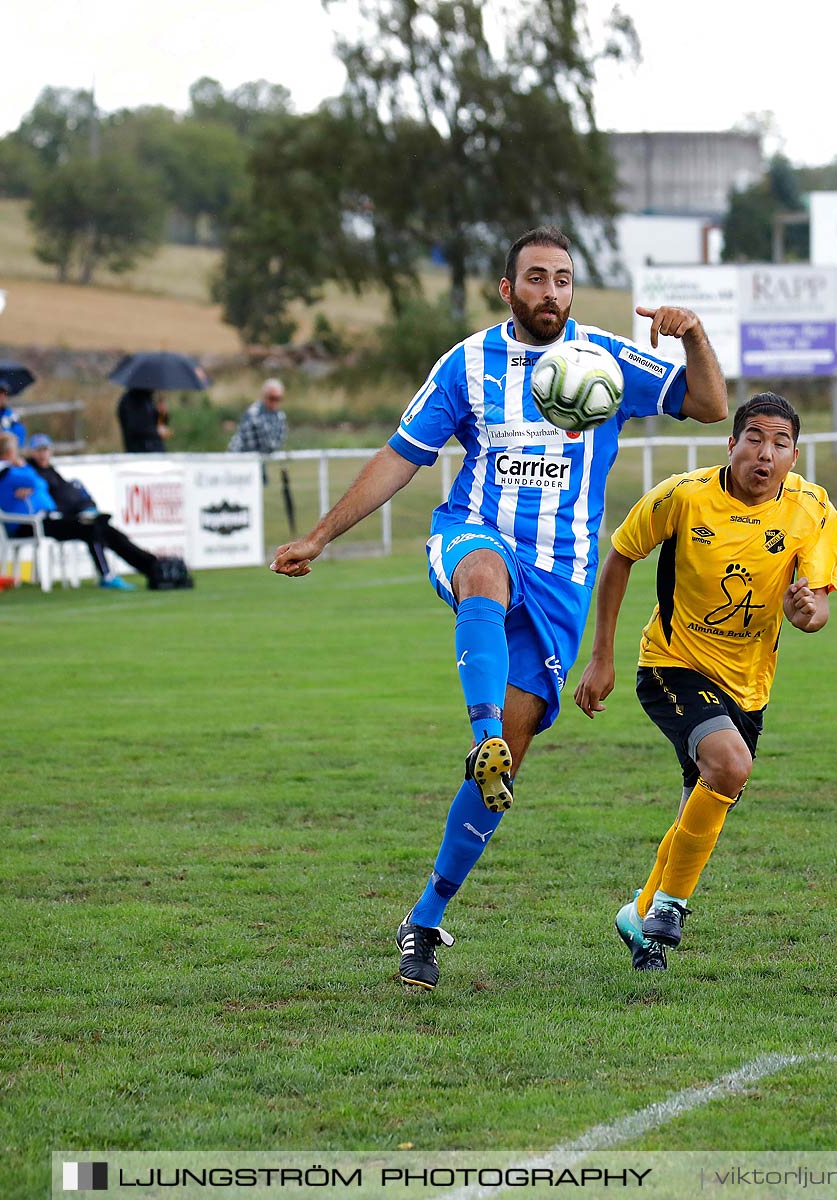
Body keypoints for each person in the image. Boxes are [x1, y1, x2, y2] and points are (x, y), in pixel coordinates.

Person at [269, 224, 728, 991]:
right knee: (483, 574)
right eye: (537, 278)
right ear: (507, 288)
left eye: (563, 279)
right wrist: (320, 535)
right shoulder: (467, 364)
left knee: (509, 764)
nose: (551, 291)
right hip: (473, 534)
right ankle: (481, 735)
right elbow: (400, 458)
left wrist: (696, 337)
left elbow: (711, 405)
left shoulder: (606, 359)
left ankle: (424, 918)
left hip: (560, 577)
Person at [574, 393, 837, 971]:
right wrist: (601, 657)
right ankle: (670, 905)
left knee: (704, 796)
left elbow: (816, 607)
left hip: (749, 685)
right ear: (731, 443)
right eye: (754, 438)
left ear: (795, 455)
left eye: (780, 443)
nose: (764, 454)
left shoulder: (813, 510)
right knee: (730, 766)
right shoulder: (684, 495)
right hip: (672, 664)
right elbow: (619, 555)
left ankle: (639, 914)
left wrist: (806, 613)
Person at [0, 432, 136, 590]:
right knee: (89, 529)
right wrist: (24, 468)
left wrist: (33, 485)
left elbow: (39, 485)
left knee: (90, 526)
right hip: (29, 524)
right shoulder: (4, 472)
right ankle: (106, 576)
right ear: (10, 452)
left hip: (42, 520)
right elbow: (36, 481)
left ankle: (106, 571)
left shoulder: (9, 472)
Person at [24, 433, 164, 581]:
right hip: (50, 521)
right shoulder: (31, 474)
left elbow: (66, 495)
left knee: (107, 530)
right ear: (32, 453)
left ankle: (150, 564)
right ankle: (110, 575)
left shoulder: (50, 471)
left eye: (45, 450)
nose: (43, 454)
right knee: (93, 530)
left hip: (69, 516)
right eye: (39, 450)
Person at [229, 378, 288, 456]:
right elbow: (252, 444)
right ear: (264, 396)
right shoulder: (254, 413)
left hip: (260, 457)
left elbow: (279, 440)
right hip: (240, 457)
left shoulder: (280, 415)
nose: (275, 402)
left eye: (278, 398)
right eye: (272, 398)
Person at [116, 387, 167, 453]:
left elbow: (157, 423)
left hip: (155, 450)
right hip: (139, 452)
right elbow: (134, 428)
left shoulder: (147, 398)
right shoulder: (129, 401)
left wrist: (163, 414)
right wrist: (156, 432)